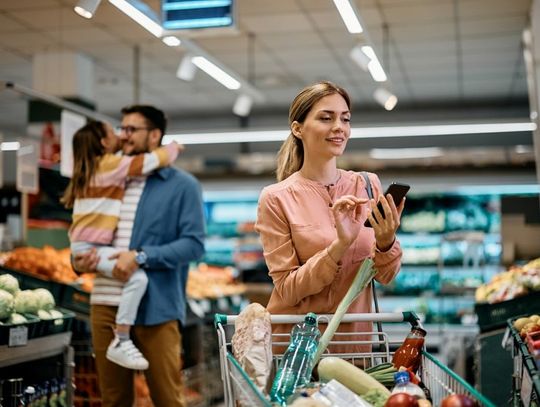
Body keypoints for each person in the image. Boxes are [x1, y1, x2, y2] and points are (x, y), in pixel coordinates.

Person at [254, 81, 405, 353]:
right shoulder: (277, 197)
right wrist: (339, 246)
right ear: (298, 128)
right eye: (326, 118)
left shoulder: (367, 185)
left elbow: (385, 277)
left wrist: (386, 242)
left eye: (345, 119)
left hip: (353, 347)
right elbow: (288, 289)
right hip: (294, 352)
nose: (339, 127)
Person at [73, 105, 205, 407]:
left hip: (156, 308)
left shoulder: (182, 186)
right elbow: (83, 226)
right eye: (122, 129)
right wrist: (76, 260)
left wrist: (141, 256)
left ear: (155, 135)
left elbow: (193, 245)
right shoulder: (109, 175)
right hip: (105, 304)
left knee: (167, 399)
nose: (124, 136)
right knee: (114, 400)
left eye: (132, 129)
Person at [62, 120, 181, 371]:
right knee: (137, 279)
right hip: (89, 248)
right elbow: (147, 162)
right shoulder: (108, 165)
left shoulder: (89, 171)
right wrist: (173, 148)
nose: (120, 135)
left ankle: (121, 339)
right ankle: (122, 339)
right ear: (104, 143)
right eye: (113, 131)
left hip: (86, 246)